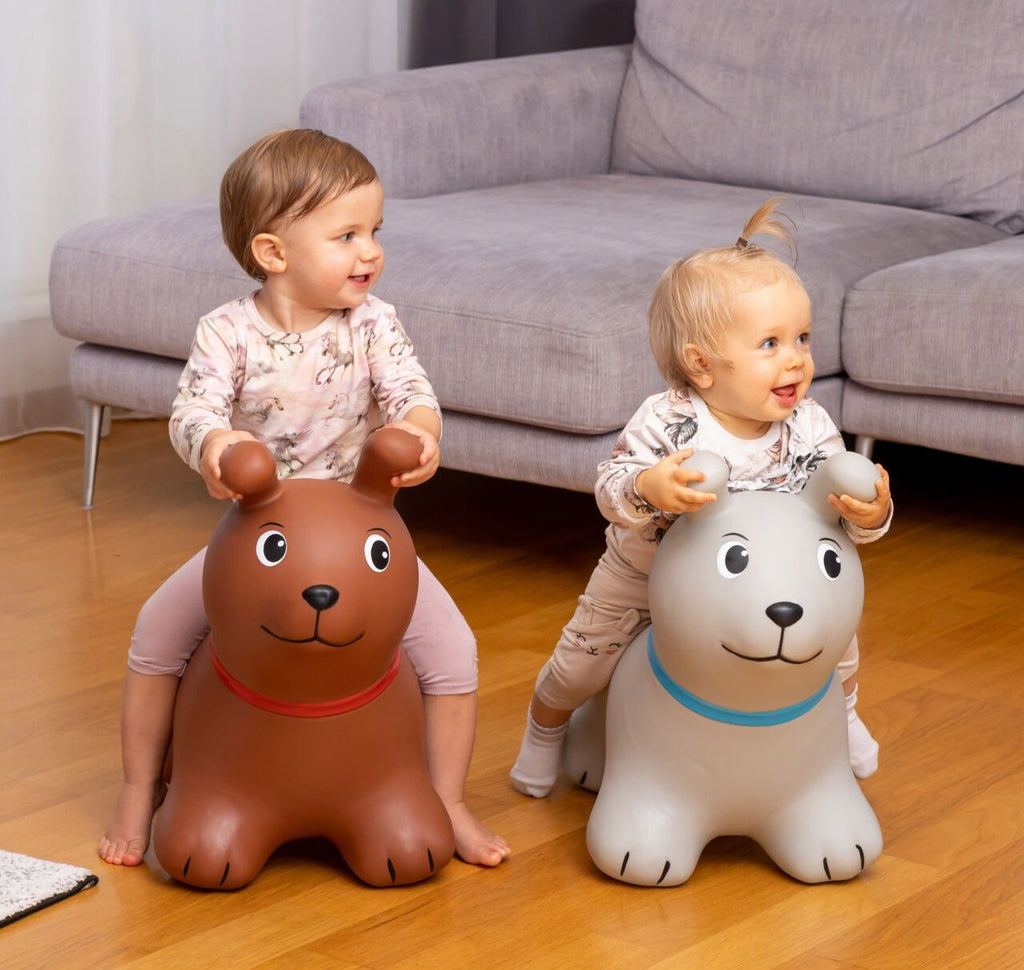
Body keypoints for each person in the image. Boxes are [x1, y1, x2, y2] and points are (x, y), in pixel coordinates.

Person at [100, 128, 510, 868]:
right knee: (156, 637)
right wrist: (216, 446)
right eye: (347, 234)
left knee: (454, 655)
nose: (371, 252)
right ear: (273, 253)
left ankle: (446, 796)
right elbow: (193, 411)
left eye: (375, 231)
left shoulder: (373, 323)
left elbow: (412, 391)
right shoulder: (227, 331)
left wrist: (421, 429)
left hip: (363, 548)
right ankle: (138, 787)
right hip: (260, 543)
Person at [511, 198, 892, 798]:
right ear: (702, 365)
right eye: (770, 343)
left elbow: (833, 521)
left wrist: (872, 515)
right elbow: (610, 491)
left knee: (837, 644)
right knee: (584, 660)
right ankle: (546, 726)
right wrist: (648, 486)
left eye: (802, 337)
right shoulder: (668, 421)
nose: (796, 357)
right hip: (644, 574)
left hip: (769, 592)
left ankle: (840, 716)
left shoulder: (812, 425)